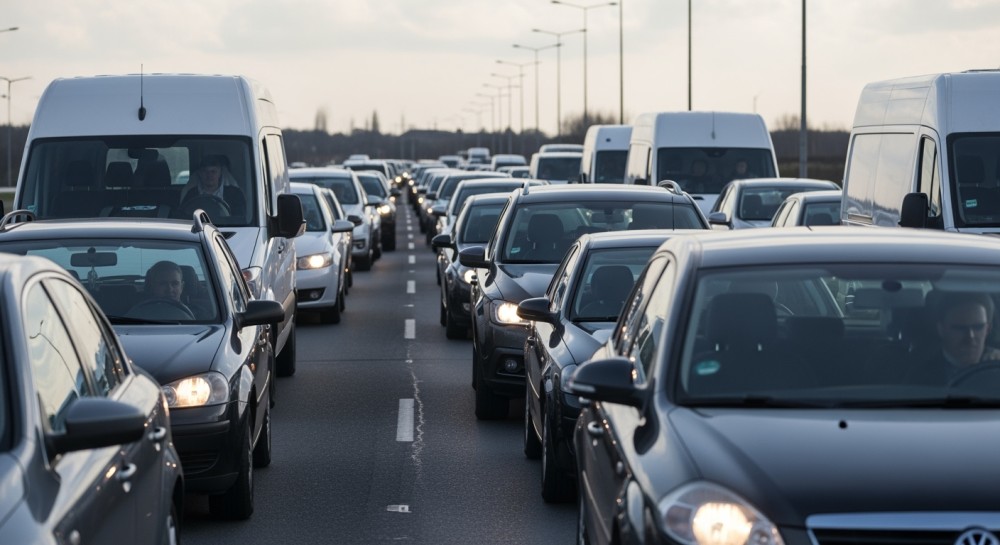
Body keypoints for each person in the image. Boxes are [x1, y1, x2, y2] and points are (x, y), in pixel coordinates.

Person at [909, 292, 1000, 384]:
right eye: (960, 328)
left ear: (988, 329)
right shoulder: (920, 377)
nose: (970, 336)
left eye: (978, 327)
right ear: (941, 329)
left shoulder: (997, 363)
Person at [179, 155, 247, 218]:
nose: (209, 175)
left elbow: (240, 218)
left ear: (220, 173)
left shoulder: (235, 194)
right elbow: (182, 217)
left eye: (213, 171)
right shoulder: (191, 194)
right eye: (205, 171)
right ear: (200, 174)